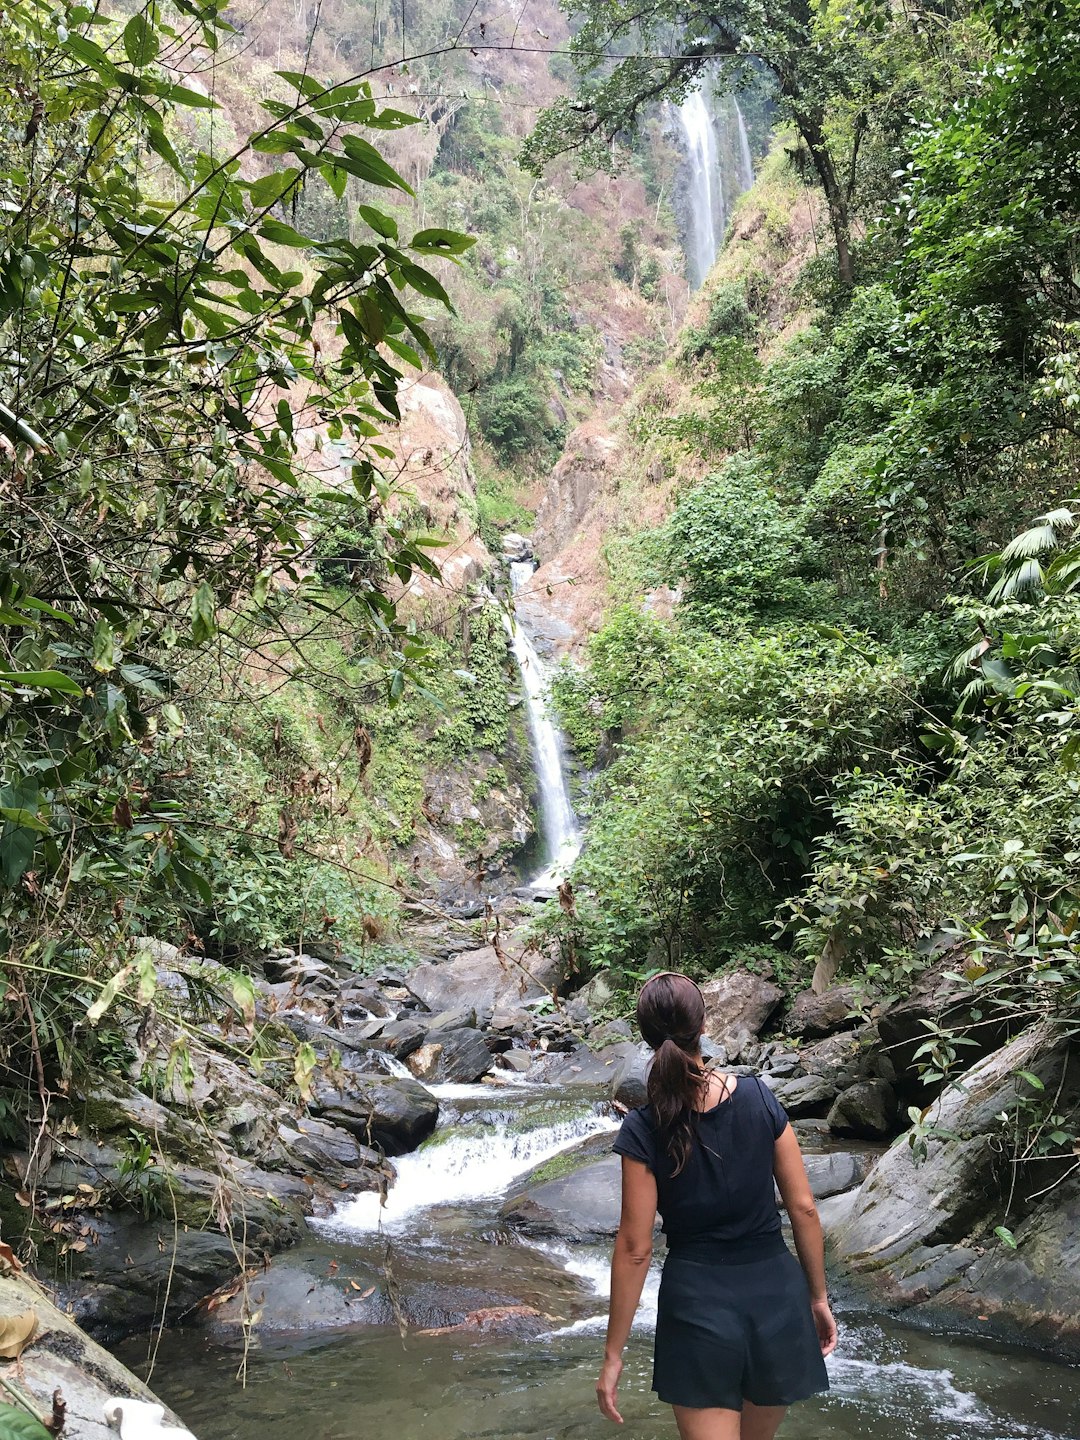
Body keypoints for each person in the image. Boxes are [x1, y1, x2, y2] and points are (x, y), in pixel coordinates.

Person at [597, 971, 837, 1440]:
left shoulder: (645, 1129)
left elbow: (634, 1248)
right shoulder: (759, 1099)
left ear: (646, 1037)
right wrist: (819, 1298)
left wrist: (613, 1354)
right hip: (776, 1300)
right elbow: (804, 1208)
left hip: (696, 1309)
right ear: (703, 1025)